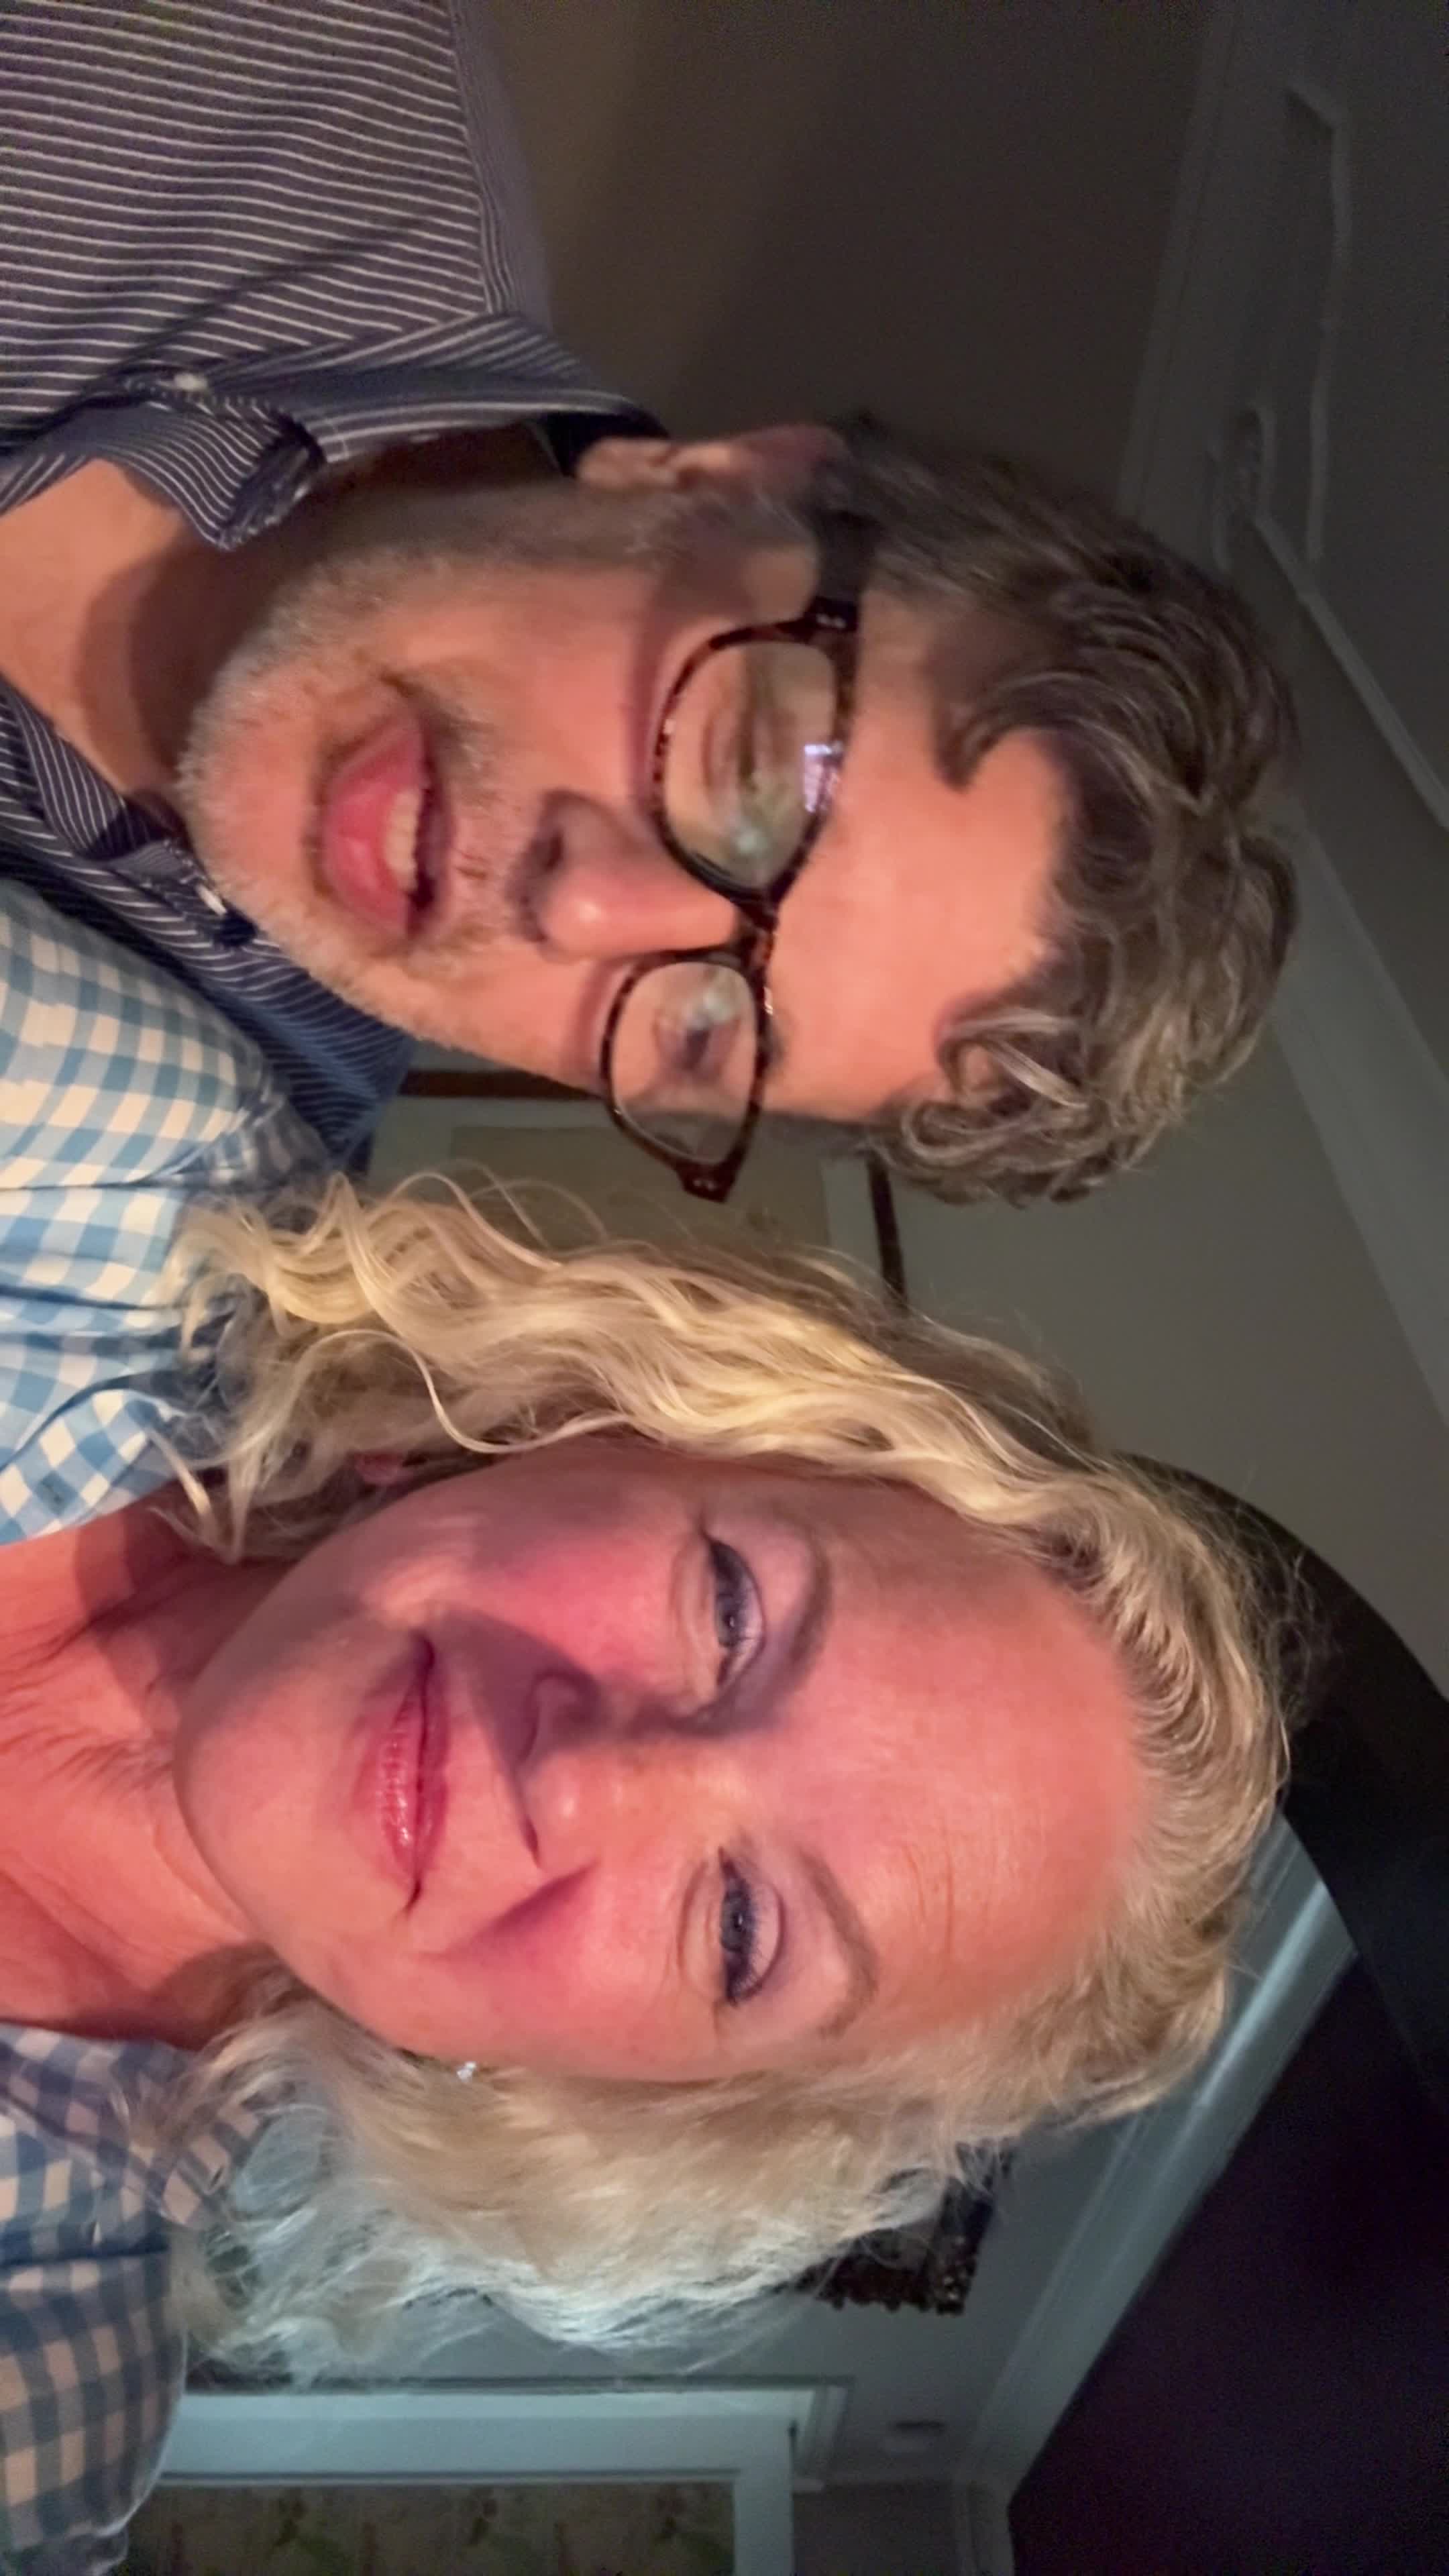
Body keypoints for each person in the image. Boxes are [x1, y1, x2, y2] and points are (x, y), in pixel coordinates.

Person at [0, 895, 1283, 2569]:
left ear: (634, 2099)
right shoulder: (103, 1180)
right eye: (732, 1613)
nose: (597, 1773)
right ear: (605, 1424)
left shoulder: (44, 2375)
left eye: (743, 1928)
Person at [0, 0, 1297, 1204]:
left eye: (703, 1032)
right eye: (746, 777)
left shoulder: (171, 1204)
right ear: (715, 483)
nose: (583, 909)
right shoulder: (240, 50)